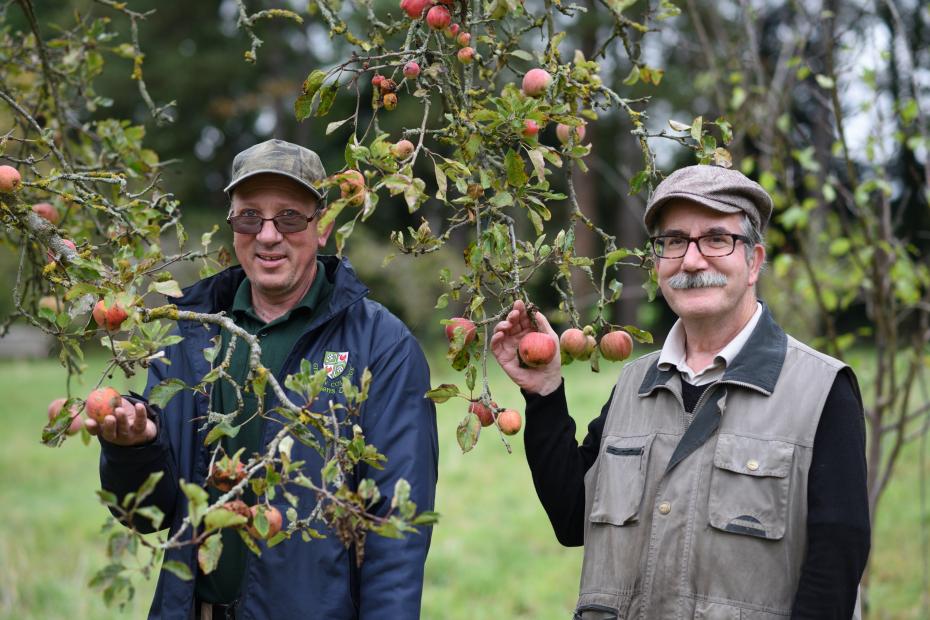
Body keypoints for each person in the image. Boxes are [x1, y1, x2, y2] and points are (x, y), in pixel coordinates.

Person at [491, 165, 870, 619]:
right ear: (657, 262)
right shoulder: (635, 383)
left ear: (754, 261)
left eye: (716, 239)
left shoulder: (821, 390)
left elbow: (833, 573)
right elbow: (573, 517)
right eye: (673, 242)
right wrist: (545, 392)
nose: (691, 261)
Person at [86, 139, 439, 619]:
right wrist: (134, 446)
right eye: (250, 217)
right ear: (233, 226)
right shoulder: (191, 331)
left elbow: (396, 534)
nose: (268, 235)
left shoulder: (381, 346)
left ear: (323, 227)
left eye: (290, 217)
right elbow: (144, 512)